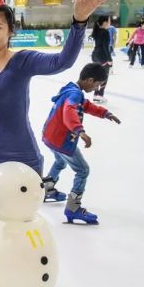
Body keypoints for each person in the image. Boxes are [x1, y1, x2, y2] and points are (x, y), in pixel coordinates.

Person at [0, 0, 111, 189]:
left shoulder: (22, 60)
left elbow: (62, 61)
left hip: (23, 160)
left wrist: (79, 21)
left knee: (22, 212)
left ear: (10, 31)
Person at [41, 63, 122, 224]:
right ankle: (73, 208)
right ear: (90, 80)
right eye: (97, 85)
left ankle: (47, 189)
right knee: (83, 170)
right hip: (61, 140)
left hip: (50, 136)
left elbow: (85, 105)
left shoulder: (71, 89)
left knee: (60, 162)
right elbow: (69, 110)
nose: (96, 88)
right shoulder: (75, 94)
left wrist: (105, 113)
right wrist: (80, 131)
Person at [90, 15, 113, 103]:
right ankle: (100, 94)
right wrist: (110, 59)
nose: (110, 23)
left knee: (98, 75)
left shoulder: (97, 31)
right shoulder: (105, 32)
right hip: (102, 56)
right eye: (109, 21)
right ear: (105, 22)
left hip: (94, 55)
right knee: (105, 76)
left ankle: (96, 94)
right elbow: (105, 47)